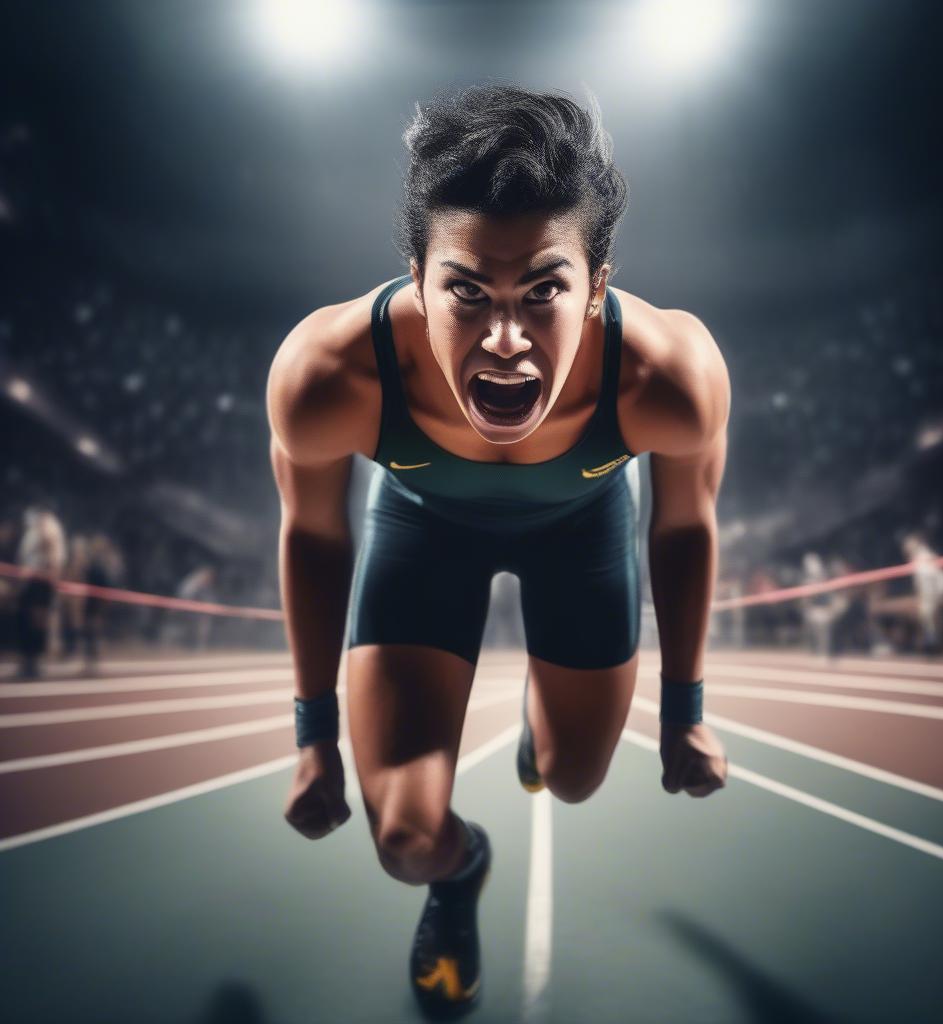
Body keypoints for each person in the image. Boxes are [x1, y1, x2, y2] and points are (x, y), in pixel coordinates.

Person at [266, 84, 730, 1018]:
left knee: (573, 776)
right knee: (402, 837)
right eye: (468, 294)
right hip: (423, 529)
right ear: (418, 273)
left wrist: (685, 710)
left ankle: (542, 716)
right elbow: (315, 535)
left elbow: (682, 526)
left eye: (544, 292)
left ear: (598, 282)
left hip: (583, 528)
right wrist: (313, 737)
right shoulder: (325, 374)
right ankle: (462, 870)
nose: (507, 343)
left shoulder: (671, 376)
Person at [14, 504, 67, 680]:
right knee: (28, 621)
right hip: (31, 580)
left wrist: (49, 571)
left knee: (36, 621)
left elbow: (50, 548)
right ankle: (29, 661)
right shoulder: (34, 529)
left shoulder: (48, 525)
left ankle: (32, 662)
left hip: (40, 580)